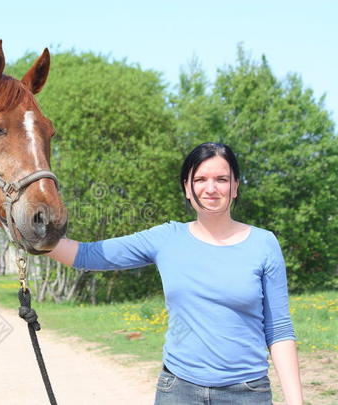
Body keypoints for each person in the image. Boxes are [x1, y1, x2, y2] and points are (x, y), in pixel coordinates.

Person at [46, 142, 303, 405]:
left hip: (247, 393)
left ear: (235, 186)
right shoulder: (166, 238)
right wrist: (26, 233)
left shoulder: (264, 243)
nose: (211, 188)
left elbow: (279, 328)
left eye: (222, 179)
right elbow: (88, 255)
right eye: (200, 179)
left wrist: (296, 402)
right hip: (179, 390)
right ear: (187, 188)